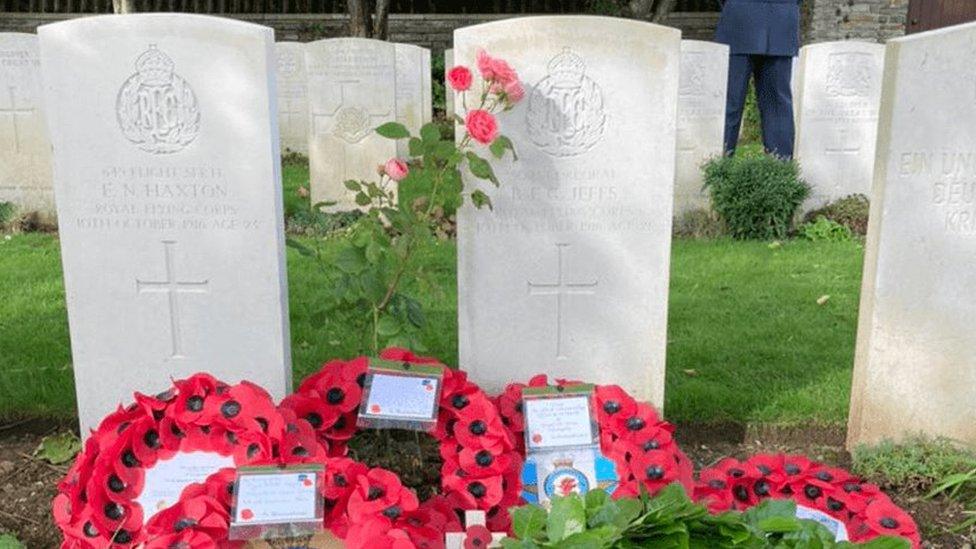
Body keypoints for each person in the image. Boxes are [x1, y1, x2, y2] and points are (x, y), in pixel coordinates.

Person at [715, 0, 802, 158]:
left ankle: (717, 170)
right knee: (776, 105)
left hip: (739, 18)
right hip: (780, 19)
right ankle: (780, 172)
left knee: (728, 102)